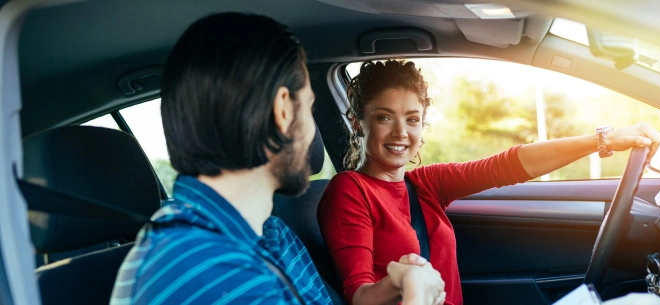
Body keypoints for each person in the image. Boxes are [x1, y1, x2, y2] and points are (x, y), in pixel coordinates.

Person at [110, 14, 443, 305]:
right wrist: (418, 298)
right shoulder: (206, 268)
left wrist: (399, 286)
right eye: (310, 106)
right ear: (284, 111)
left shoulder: (269, 233)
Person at [317, 60, 660, 305]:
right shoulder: (350, 190)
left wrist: (605, 140)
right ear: (358, 122)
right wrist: (403, 280)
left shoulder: (424, 184)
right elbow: (359, 297)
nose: (400, 132)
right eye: (384, 117)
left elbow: (507, 165)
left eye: (412, 119)